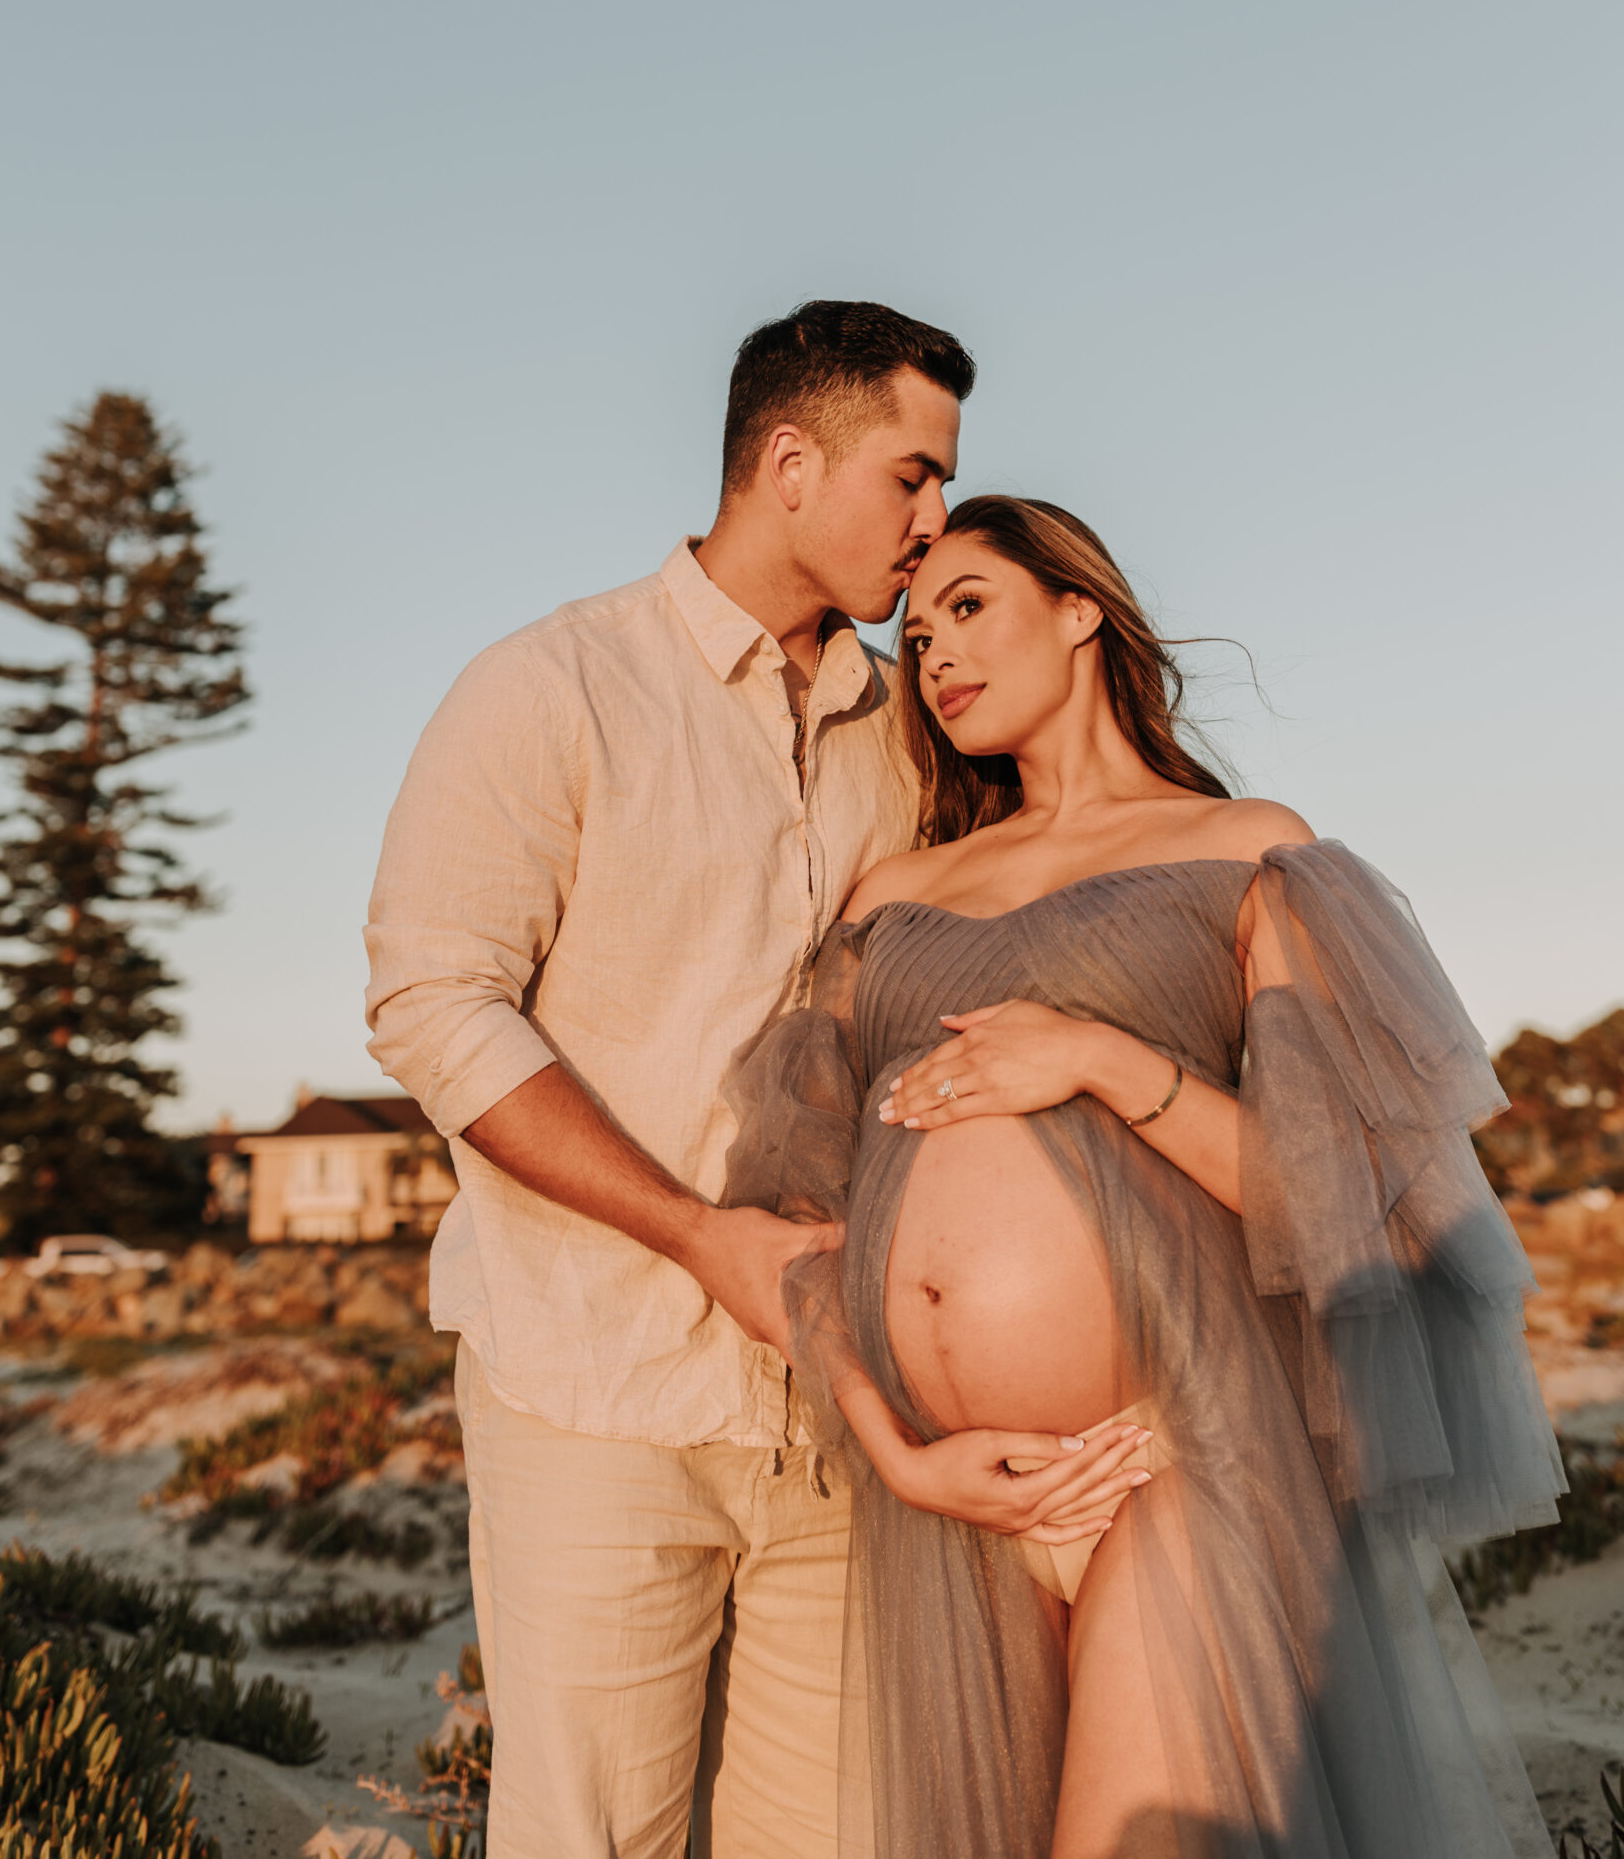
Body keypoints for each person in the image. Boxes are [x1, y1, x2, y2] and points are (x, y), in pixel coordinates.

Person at [724, 493, 1563, 1859]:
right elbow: (801, 1227)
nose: (933, 655)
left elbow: (1345, 1193)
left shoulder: (1250, 854)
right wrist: (903, 1455)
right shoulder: (889, 895)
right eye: (917, 630)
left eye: (970, 607)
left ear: (1080, 609)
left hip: (1172, 1457)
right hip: (954, 1504)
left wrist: (1104, 1061)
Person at [366, 300, 1087, 1859]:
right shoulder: (550, 687)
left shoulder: (917, 735)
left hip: (848, 1412)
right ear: (786, 463)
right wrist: (702, 1238)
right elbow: (434, 1004)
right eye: (910, 477)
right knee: (591, 1840)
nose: (932, 523)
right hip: (593, 1387)